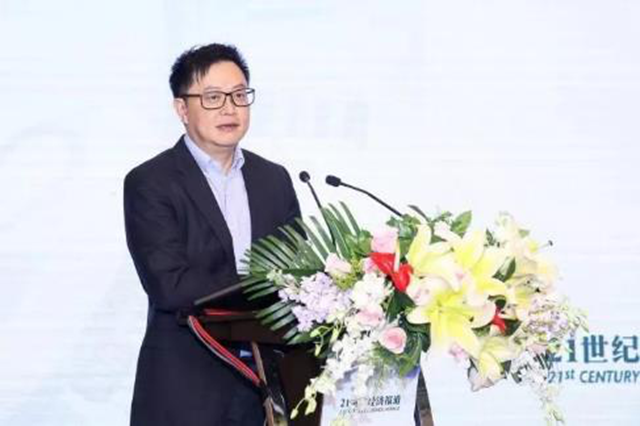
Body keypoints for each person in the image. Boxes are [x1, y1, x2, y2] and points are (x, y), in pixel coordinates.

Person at [123, 43, 301, 426]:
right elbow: (171, 285)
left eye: (239, 95)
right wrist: (261, 286)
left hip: (269, 389)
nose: (229, 108)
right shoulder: (151, 182)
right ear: (182, 109)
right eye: (213, 97)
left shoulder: (274, 179)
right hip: (187, 390)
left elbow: (296, 273)